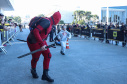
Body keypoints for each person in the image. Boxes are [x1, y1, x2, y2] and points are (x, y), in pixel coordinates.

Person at [27, 11, 61, 82]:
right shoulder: (47, 22)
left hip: (41, 40)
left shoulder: (50, 22)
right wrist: (42, 44)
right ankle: (33, 70)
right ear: (56, 19)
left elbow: (43, 33)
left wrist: (43, 43)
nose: (58, 21)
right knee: (35, 58)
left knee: (48, 55)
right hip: (34, 41)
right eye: (59, 19)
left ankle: (45, 75)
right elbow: (36, 31)